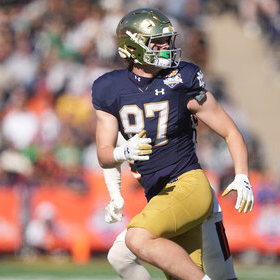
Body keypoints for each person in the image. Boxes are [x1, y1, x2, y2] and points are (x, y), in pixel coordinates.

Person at [92, 8, 253, 280]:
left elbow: (230, 131)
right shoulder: (109, 88)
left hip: (189, 184)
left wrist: (242, 175)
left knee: (137, 239)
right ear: (133, 46)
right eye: (157, 42)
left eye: (168, 40)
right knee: (123, 256)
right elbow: (104, 154)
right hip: (160, 195)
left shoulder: (181, 79)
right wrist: (123, 152)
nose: (166, 47)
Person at [103, 130, 241, 279]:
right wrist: (115, 194)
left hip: (193, 198)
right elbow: (107, 153)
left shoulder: (169, 113)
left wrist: (242, 175)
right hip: (165, 204)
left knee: (222, 276)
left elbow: (225, 126)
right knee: (119, 255)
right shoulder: (119, 116)